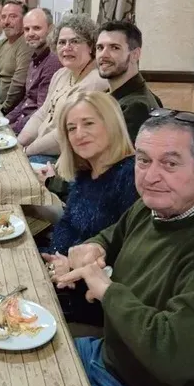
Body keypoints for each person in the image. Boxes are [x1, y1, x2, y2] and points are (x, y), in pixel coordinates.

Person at [56, 110, 194, 386]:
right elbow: (112, 236)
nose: (151, 176)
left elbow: (176, 355)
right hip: (113, 359)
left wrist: (107, 290)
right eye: (143, 160)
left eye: (170, 163)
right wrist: (94, 246)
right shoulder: (152, 208)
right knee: (24, 371)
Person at [40, 92, 138, 326]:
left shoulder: (130, 176)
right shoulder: (86, 172)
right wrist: (58, 258)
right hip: (65, 278)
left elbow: (126, 250)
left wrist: (69, 265)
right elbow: (67, 223)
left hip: (95, 300)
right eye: (71, 128)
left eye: (88, 123)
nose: (79, 134)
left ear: (111, 124)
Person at [17, 13, 107, 162]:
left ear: (91, 46)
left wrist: (27, 151)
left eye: (75, 41)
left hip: (65, 158)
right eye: (62, 42)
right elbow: (42, 114)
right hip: (40, 149)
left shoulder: (95, 82)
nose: (67, 48)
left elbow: (64, 134)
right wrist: (19, 143)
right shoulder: (61, 74)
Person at [96, 20, 160, 142]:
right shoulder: (114, 96)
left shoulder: (136, 107)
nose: (103, 55)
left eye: (114, 48)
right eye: (100, 47)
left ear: (135, 54)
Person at [6, 8, 62, 133]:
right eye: (27, 29)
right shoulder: (35, 58)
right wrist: (4, 121)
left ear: (51, 29)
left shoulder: (53, 62)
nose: (30, 34)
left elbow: (41, 113)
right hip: (21, 123)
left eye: (37, 28)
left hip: (32, 131)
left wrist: (10, 129)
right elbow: (27, 100)